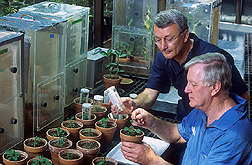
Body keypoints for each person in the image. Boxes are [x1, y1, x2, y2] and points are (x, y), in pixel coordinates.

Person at [112, 9, 249, 121]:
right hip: (185, 120)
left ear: (185, 36)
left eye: (169, 39)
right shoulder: (164, 57)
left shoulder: (215, 59)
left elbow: (243, 96)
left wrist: (220, 126)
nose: (163, 46)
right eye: (158, 40)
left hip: (214, 124)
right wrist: (134, 103)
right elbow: (149, 94)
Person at [120, 52, 252, 165]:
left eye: (193, 84)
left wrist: (151, 160)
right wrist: (151, 122)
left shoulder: (233, 135)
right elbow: (177, 135)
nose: (186, 89)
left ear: (215, 87)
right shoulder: (205, 109)